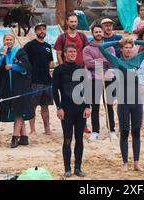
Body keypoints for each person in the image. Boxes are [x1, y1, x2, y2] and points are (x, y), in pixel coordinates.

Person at [99, 38, 144, 171]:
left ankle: (136, 163)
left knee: (136, 132)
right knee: (124, 132)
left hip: (137, 102)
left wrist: (136, 40)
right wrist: (117, 42)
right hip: (123, 103)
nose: (128, 50)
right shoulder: (116, 61)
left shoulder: (137, 59)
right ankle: (125, 163)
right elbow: (101, 47)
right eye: (126, 47)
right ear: (122, 49)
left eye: (130, 47)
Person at [53, 44, 91, 177]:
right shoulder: (59, 70)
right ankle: (67, 168)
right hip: (66, 109)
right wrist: (59, 107)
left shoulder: (80, 69)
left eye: (75, 51)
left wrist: (88, 106)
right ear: (64, 53)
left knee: (79, 139)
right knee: (67, 139)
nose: (73, 53)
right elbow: (55, 91)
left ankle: (78, 168)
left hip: (80, 109)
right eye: (70, 52)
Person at [0, 32, 34, 148]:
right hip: (6, 87)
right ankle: (24, 137)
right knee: (15, 110)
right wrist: (3, 54)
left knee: (19, 111)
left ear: (14, 41)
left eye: (10, 40)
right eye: (7, 40)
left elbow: (26, 66)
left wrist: (13, 67)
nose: (8, 42)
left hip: (20, 87)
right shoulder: (0, 52)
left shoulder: (20, 52)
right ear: (3, 41)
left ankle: (15, 138)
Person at [83, 25, 117, 141]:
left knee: (109, 106)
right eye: (96, 32)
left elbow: (112, 62)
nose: (98, 33)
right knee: (95, 107)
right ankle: (95, 131)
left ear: (103, 33)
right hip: (94, 80)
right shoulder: (87, 49)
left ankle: (111, 130)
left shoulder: (109, 48)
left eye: (100, 32)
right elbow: (88, 63)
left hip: (108, 78)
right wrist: (104, 62)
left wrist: (97, 62)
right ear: (92, 33)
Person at [24, 23, 54, 136]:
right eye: (39, 29)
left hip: (46, 80)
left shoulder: (48, 46)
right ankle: (32, 130)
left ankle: (47, 129)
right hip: (34, 80)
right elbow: (21, 58)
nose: (42, 31)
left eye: (43, 29)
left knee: (45, 107)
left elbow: (50, 63)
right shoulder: (30, 45)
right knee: (33, 106)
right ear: (35, 31)